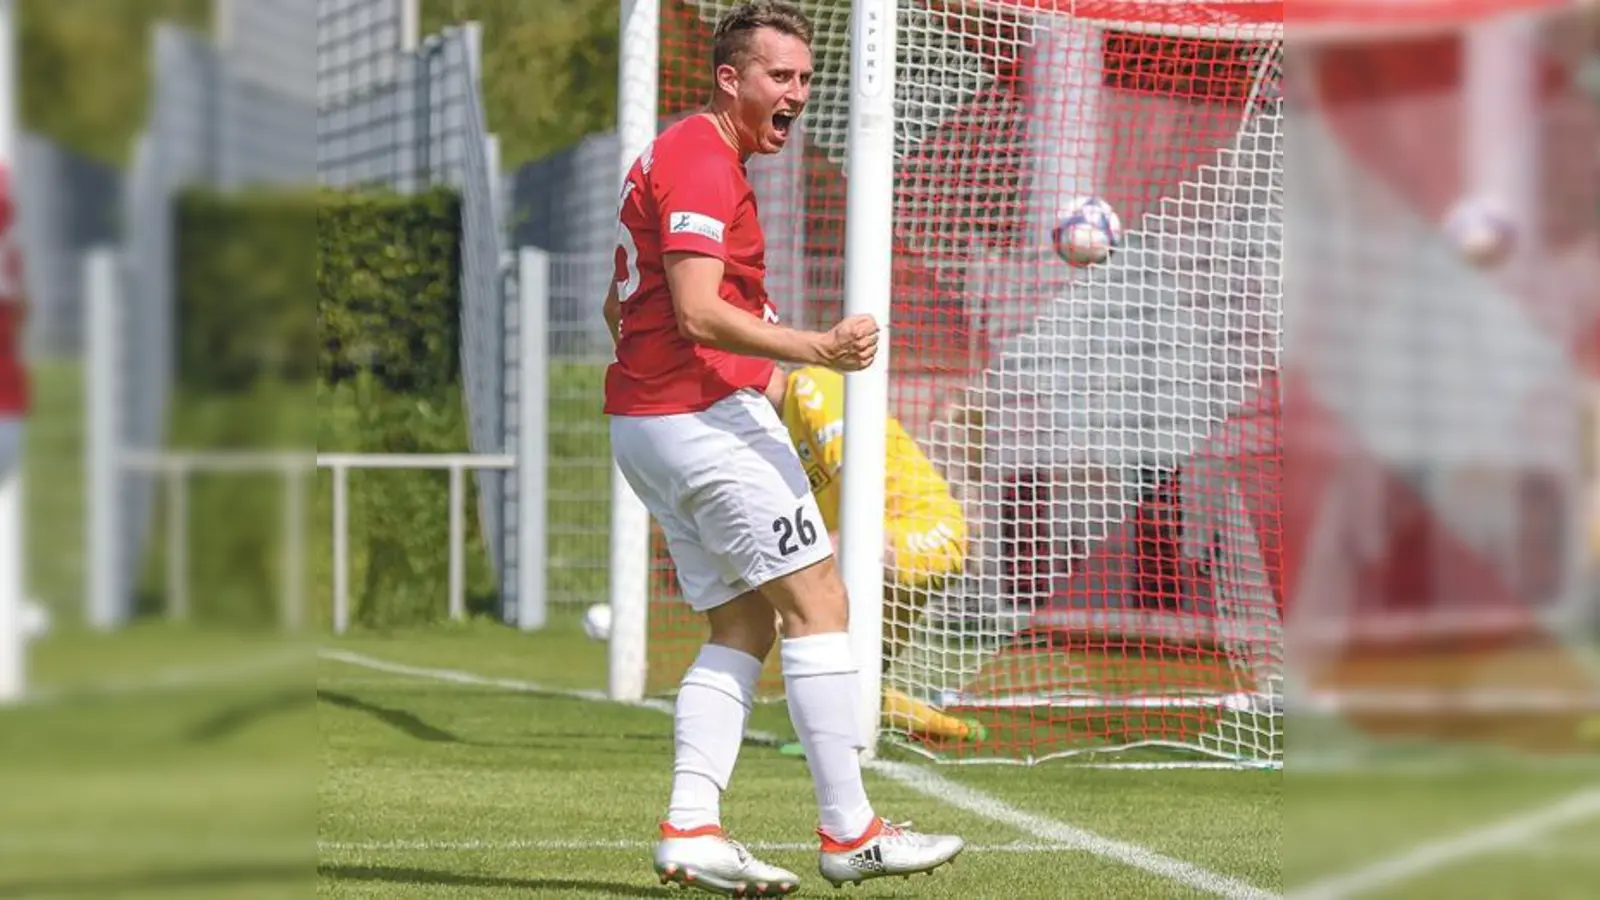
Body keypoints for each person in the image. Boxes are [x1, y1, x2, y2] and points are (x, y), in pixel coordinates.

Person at [602, 2, 964, 894]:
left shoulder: (684, 154)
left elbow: (622, 310)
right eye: (780, 77)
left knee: (745, 622)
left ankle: (691, 825)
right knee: (821, 600)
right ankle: (851, 830)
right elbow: (693, 309)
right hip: (697, 421)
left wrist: (733, 370)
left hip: (652, 423)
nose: (796, 95)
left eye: (805, 79)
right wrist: (816, 352)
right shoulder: (699, 158)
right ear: (731, 79)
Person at [765, 365, 987, 755]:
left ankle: (832, 739)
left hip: (927, 529)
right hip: (879, 545)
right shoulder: (776, 436)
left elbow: (859, 488)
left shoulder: (811, 389)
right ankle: (946, 728)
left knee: (810, 612)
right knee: (855, 673)